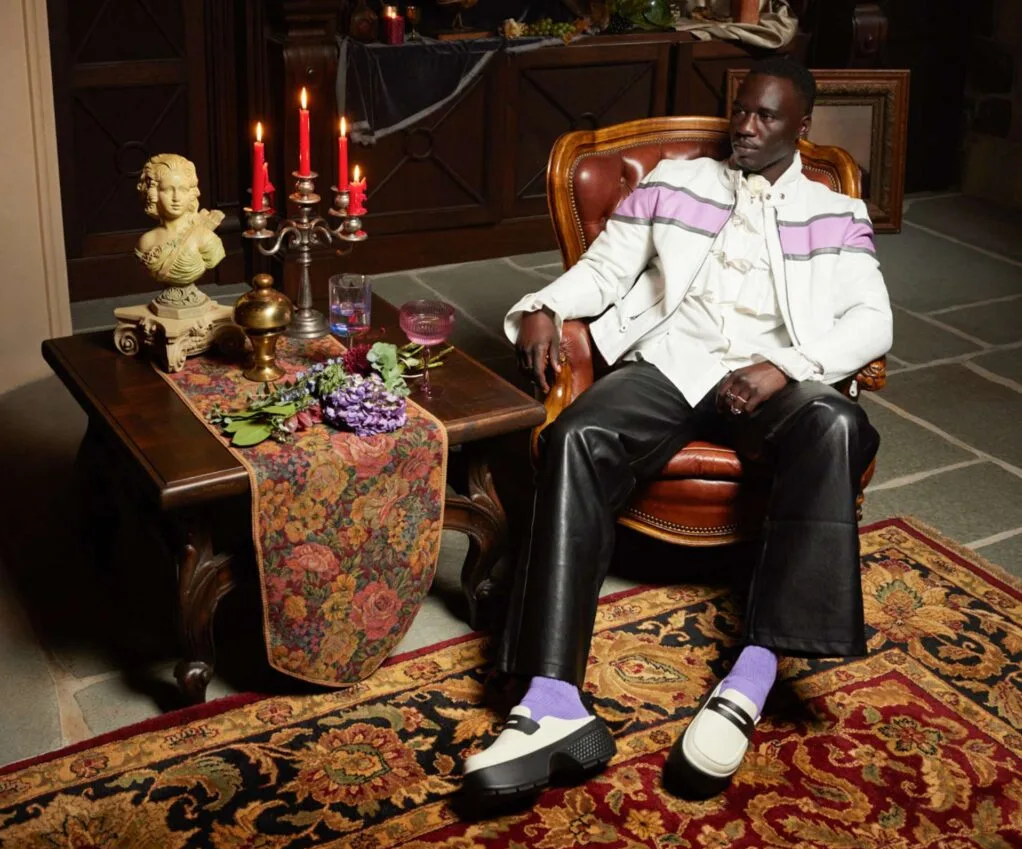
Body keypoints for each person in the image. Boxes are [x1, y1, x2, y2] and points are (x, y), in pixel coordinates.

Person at [461, 58, 892, 802]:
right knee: (575, 438)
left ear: (804, 127)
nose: (747, 128)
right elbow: (604, 272)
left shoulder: (835, 212)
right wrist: (544, 304)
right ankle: (552, 701)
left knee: (834, 421)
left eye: (767, 118)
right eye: (741, 111)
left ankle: (752, 675)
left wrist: (785, 366)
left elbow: (873, 321)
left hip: (771, 379)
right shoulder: (674, 185)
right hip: (672, 363)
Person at [136, 153, 225, 308]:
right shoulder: (147, 242)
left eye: (183, 190)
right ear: (154, 193)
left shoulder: (204, 237)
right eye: (168, 190)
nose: (176, 198)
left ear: (191, 193)